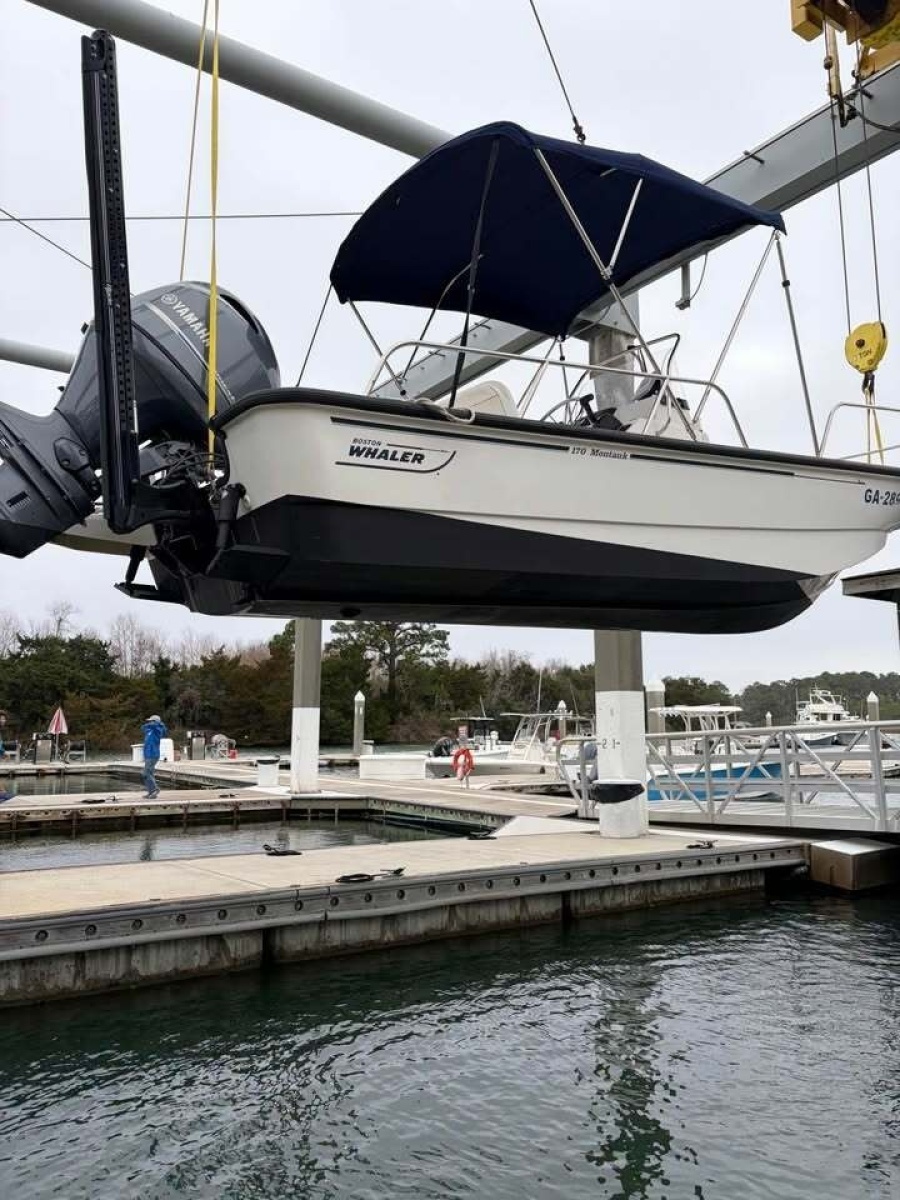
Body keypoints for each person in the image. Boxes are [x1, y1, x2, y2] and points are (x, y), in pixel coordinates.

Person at [141, 714, 167, 799]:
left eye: (151, 721)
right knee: (149, 773)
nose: (149, 722)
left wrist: (157, 723)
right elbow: (142, 728)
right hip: (148, 755)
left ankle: (155, 790)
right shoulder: (149, 730)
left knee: (146, 773)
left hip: (153, 754)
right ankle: (151, 792)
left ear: (155, 722)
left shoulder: (158, 730)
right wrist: (149, 724)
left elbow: (158, 726)